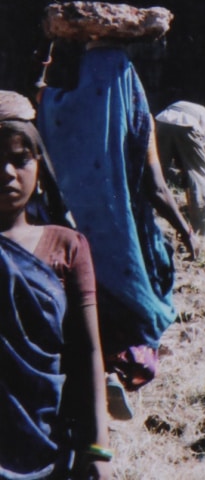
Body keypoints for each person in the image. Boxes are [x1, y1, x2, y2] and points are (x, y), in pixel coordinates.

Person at [37, 42, 198, 401]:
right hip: (124, 243)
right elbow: (156, 188)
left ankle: (95, 378)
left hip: (68, 235)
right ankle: (120, 369)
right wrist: (184, 229)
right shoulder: (136, 114)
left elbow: (39, 103)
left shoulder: (55, 107)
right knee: (142, 297)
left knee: (83, 310)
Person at [0, 91, 111, 480]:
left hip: (53, 440)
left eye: (20, 159)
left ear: (39, 166)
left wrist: (98, 447)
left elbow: (89, 351)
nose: (8, 173)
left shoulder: (67, 246)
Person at [155, 101, 205, 236]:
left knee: (156, 172)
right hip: (188, 123)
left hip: (162, 120)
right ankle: (203, 230)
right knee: (199, 177)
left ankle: (146, 217)